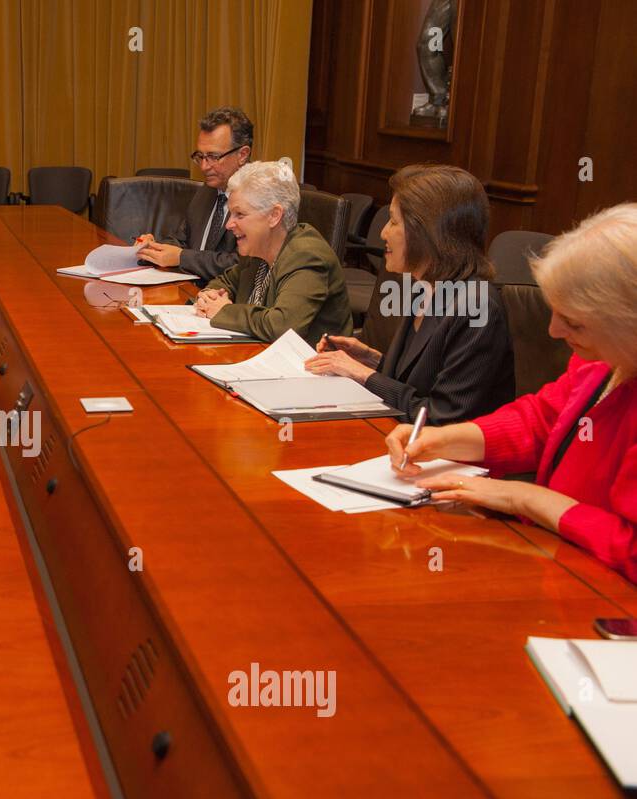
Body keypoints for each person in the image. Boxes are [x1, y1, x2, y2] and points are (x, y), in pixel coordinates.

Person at [386, 203, 637, 582]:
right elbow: (542, 420)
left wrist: (525, 498)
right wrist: (444, 439)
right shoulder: (603, 359)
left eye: (573, 323)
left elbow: (631, 550)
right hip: (555, 561)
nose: (553, 331)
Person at [303, 164, 514, 423]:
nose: (383, 232)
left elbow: (441, 417)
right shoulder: (424, 285)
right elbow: (415, 384)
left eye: (393, 221)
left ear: (427, 232)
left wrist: (362, 374)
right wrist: (371, 361)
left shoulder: (477, 307)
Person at [194, 159, 352, 343]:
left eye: (240, 214)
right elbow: (226, 281)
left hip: (306, 366)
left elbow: (283, 326)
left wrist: (224, 311)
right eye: (230, 214)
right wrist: (209, 296)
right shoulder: (257, 250)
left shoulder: (307, 256)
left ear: (274, 216)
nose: (229, 224)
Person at [134, 106, 252, 282]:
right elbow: (182, 241)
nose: (204, 166)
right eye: (200, 156)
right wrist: (153, 247)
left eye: (213, 157)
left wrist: (182, 257)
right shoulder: (207, 191)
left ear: (242, 155)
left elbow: (243, 265)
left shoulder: (256, 200)